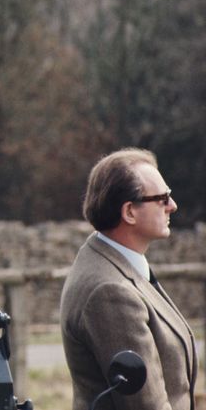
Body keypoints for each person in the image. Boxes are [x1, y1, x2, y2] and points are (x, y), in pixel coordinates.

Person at [60, 148, 198, 410]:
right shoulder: (110, 291)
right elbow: (147, 406)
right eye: (162, 198)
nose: (173, 205)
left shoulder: (112, 260)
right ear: (129, 212)